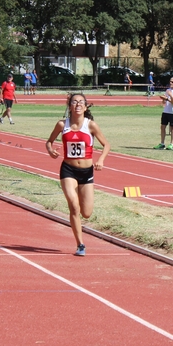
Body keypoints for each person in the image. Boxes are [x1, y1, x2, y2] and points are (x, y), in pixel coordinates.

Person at [45, 93, 110, 256]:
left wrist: (101, 159)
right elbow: (49, 141)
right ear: (70, 106)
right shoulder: (62, 124)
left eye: (81, 102)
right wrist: (50, 150)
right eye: (74, 102)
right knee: (73, 205)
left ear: (85, 107)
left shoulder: (91, 125)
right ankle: (80, 244)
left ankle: (80, 220)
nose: (78, 104)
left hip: (86, 172)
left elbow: (106, 144)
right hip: (68, 169)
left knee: (86, 213)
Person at [154, 76, 173, 150]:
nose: (170, 83)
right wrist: (163, 99)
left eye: (172, 82)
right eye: (170, 81)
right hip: (166, 111)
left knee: (172, 128)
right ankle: (162, 143)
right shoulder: (168, 90)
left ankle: (171, 144)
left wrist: (167, 98)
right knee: (162, 127)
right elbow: (164, 101)